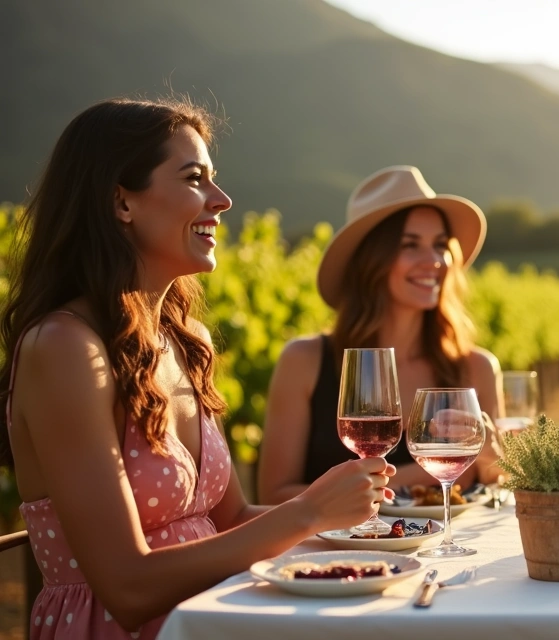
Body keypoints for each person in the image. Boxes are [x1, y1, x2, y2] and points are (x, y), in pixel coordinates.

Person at [0, 98, 395, 638]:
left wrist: (367, 531)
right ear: (121, 202)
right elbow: (128, 587)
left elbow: (229, 522)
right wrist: (307, 513)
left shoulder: (183, 341)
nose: (222, 199)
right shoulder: (66, 348)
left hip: (215, 619)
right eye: (195, 179)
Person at [258, 165, 502, 505]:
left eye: (440, 245)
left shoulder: (476, 367)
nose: (433, 260)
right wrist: (423, 474)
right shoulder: (304, 361)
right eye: (410, 244)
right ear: (373, 260)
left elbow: (496, 488)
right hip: (334, 556)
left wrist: (488, 447)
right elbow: (272, 496)